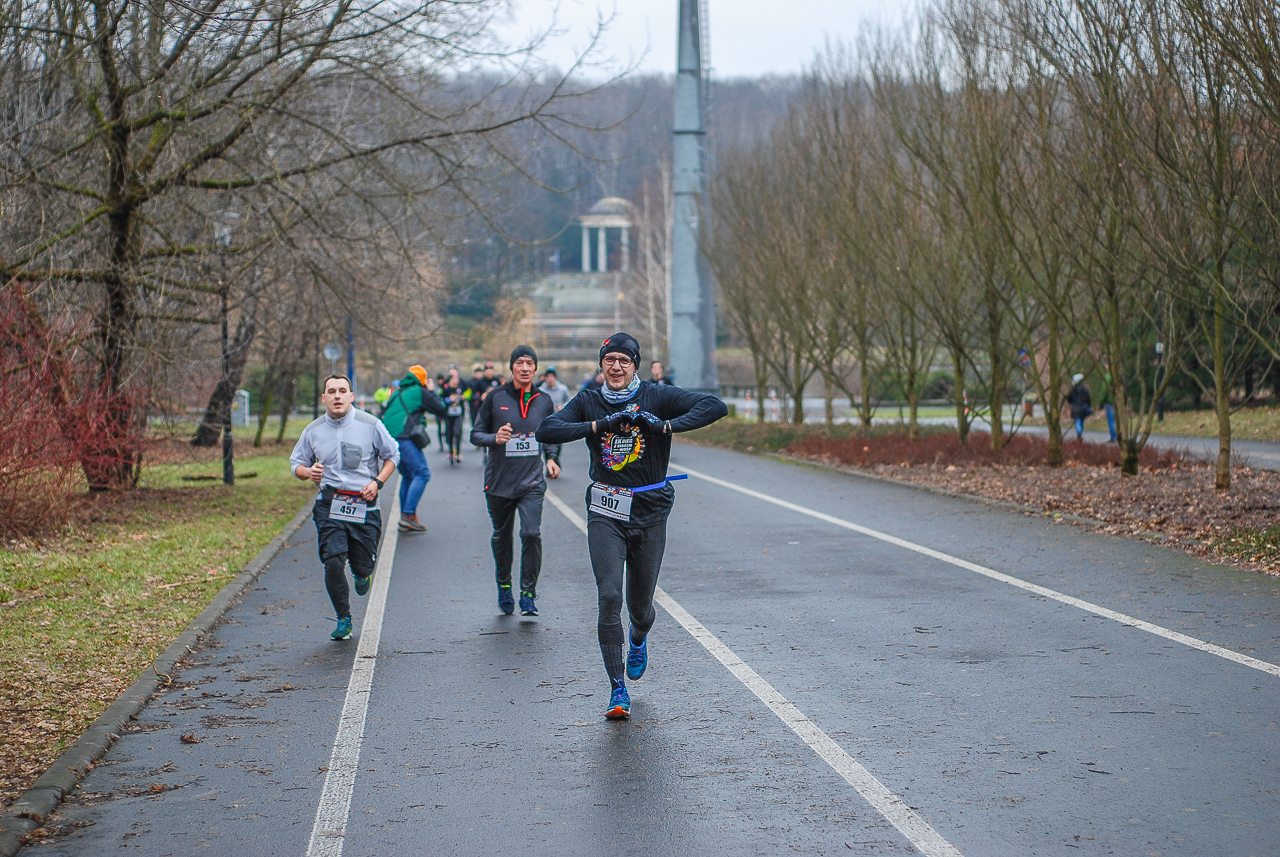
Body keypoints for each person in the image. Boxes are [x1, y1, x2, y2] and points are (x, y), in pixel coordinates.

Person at [536, 332, 727, 720]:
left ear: (635, 365)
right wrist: (597, 425)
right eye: (610, 360)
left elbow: (715, 406)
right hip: (606, 509)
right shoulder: (590, 401)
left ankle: (639, 636)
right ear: (601, 365)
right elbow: (547, 430)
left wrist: (665, 426)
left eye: (624, 360)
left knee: (640, 608)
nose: (616, 366)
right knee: (609, 596)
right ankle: (617, 689)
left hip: (650, 509)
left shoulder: (657, 395)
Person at [290, 375, 399, 641]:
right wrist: (308, 472)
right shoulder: (313, 430)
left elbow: (393, 455)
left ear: (351, 396)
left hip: (364, 504)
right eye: (331, 391)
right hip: (329, 504)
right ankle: (343, 618)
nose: (337, 396)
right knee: (333, 561)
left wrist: (377, 482)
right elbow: (296, 464)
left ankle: (362, 574)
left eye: (342, 391)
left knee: (362, 566)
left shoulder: (371, 425)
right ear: (323, 398)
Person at [471, 346, 562, 616]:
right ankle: (504, 585)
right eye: (519, 363)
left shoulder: (544, 400)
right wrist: (495, 437)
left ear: (535, 368)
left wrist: (551, 458)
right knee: (502, 537)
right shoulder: (495, 397)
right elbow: (476, 434)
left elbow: (550, 434)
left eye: (529, 363)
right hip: (499, 482)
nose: (524, 368)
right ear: (512, 367)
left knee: (531, 533)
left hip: (531, 483)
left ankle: (528, 594)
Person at [379, 365, 446, 532]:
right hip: (404, 438)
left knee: (408, 476)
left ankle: (407, 516)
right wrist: (431, 391)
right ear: (423, 380)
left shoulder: (398, 392)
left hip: (388, 440)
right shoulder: (419, 392)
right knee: (422, 473)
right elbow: (441, 408)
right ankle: (408, 515)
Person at [443, 376, 466, 463]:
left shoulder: (460, 389)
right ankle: (450, 452)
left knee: (457, 432)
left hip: (458, 414)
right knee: (449, 433)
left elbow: (467, 395)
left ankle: (458, 452)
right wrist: (449, 400)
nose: (455, 382)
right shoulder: (446, 390)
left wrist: (463, 398)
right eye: (453, 381)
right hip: (449, 415)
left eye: (457, 381)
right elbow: (441, 399)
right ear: (450, 382)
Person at [1064, 373, 1092, 441]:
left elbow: (1069, 398)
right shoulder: (1085, 389)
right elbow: (1088, 399)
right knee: (1081, 421)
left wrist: (1071, 402)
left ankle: (1079, 432)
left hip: (1075, 407)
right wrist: (1088, 405)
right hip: (1083, 407)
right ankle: (1080, 432)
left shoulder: (1072, 389)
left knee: (1077, 420)